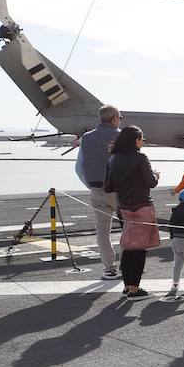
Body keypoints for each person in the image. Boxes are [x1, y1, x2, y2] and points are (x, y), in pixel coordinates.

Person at [105, 125, 160, 299]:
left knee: (128, 247)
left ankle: (127, 286)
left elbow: (107, 187)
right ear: (136, 140)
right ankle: (135, 289)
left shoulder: (113, 158)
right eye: (141, 139)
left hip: (124, 208)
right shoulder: (140, 158)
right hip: (142, 206)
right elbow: (150, 182)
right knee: (140, 249)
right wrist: (157, 176)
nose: (142, 142)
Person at [74, 104, 122, 279]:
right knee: (128, 227)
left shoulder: (86, 138)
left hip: (96, 188)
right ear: (115, 118)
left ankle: (109, 268)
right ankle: (127, 265)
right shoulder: (122, 136)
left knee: (102, 230)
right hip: (118, 190)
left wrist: (90, 184)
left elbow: (79, 167)